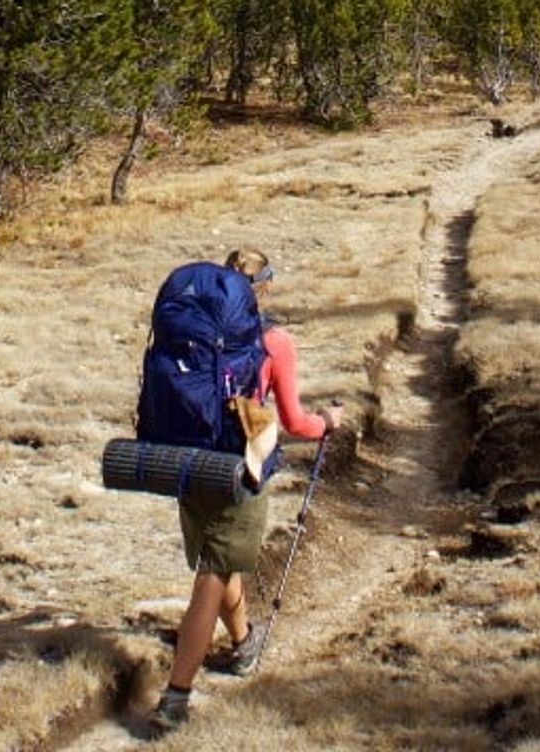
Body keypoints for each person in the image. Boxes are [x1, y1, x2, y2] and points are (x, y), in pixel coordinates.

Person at [148, 248, 344, 738]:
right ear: (266, 288)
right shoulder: (275, 341)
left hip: (187, 460)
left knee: (218, 557)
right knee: (213, 573)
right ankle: (176, 696)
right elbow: (297, 422)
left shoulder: (189, 331)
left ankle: (243, 644)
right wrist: (330, 424)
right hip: (241, 467)